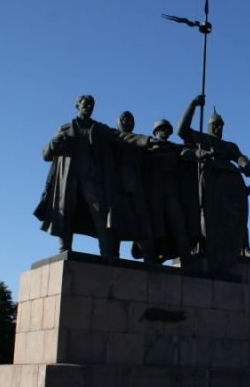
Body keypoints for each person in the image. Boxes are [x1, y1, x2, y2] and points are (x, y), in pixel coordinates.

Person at [35, 95, 148, 257]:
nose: (89, 107)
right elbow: (45, 155)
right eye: (85, 104)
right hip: (68, 181)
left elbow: (121, 136)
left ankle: (106, 252)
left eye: (91, 104)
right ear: (77, 106)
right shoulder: (65, 129)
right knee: (65, 212)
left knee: (100, 213)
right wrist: (54, 142)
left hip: (92, 180)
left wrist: (146, 140)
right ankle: (64, 250)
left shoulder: (99, 129)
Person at [177, 94, 250, 260]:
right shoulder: (201, 138)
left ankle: (244, 247)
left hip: (229, 187)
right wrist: (193, 105)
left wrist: (246, 166)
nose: (218, 128)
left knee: (239, 213)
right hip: (209, 183)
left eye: (221, 125)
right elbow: (181, 130)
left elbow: (240, 157)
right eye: (215, 125)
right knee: (205, 213)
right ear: (209, 126)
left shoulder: (229, 145)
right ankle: (202, 244)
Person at [143, 119, 197, 268]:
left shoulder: (175, 149)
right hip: (153, 195)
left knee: (180, 227)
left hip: (172, 194)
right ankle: (151, 259)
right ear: (156, 131)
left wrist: (196, 152)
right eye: (163, 129)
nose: (166, 131)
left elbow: (189, 151)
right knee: (155, 229)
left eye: (167, 129)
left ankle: (186, 261)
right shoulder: (147, 147)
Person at [109, 111, 156, 263]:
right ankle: (113, 257)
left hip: (137, 187)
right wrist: (148, 140)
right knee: (115, 225)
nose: (128, 122)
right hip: (117, 187)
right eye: (124, 119)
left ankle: (149, 259)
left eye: (131, 120)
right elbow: (129, 139)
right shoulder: (115, 136)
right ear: (118, 122)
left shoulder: (140, 145)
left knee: (144, 224)